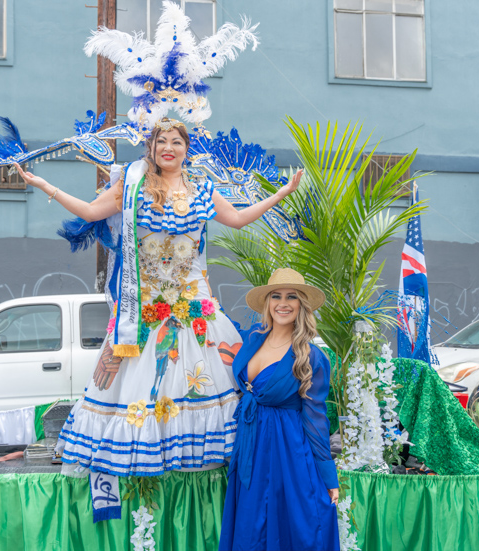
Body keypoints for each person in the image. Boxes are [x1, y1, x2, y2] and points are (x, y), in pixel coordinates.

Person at [15, 118, 303, 480]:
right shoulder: (132, 187)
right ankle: (150, 476)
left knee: (197, 383)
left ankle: (201, 471)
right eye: (161, 141)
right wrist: (46, 185)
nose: (169, 148)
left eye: (176, 142)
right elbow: (90, 212)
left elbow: (239, 219)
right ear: (151, 148)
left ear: (186, 148)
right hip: (144, 311)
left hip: (195, 310)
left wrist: (280, 194)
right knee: (144, 387)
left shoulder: (202, 189)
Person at [219, 268, 340, 551]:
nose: (282, 303)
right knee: (251, 527)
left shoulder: (310, 356)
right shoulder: (253, 340)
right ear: (267, 302)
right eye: (276, 296)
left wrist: (328, 475)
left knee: (294, 526)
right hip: (250, 446)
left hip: (288, 452)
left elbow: (316, 419)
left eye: (291, 297)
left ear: (301, 305)